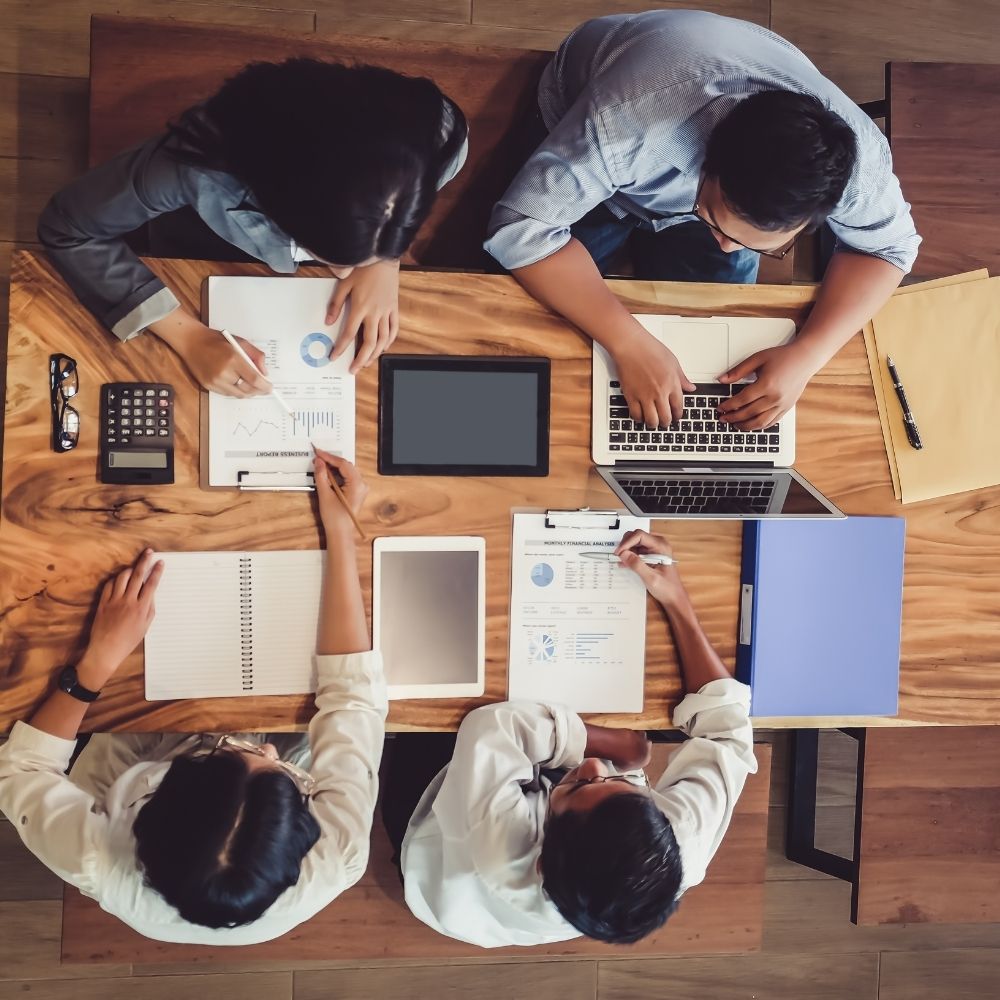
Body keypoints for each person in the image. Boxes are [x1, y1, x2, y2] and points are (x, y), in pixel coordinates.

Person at [0, 453, 385, 944]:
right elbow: (352, 697)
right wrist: (340, 531)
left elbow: (20, 771)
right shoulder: (340, 853)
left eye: (239, 753)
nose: (265, 748)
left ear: (153, 805)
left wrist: (96, 662)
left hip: (136, 749)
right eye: (271, 765)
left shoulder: (94, 857)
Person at [485, 9, 920, 434]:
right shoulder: (626, 123)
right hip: (584, 106)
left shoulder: (858, 166)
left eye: (764, 245)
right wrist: (627, 340)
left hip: (679, 116)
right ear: (705, 163)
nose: (726, 246)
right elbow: (519, 227)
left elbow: (891, 249)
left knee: (716, 342)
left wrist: (809, 353)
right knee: (515, 313)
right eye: (715, 221)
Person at [391, 529, 756, 947]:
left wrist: (614, 747)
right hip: (545, 847)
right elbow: (727, 728)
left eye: (580, 785)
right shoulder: (677, 844)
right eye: (619, 784)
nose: (595, 768)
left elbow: (491, 727)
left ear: (541, 858)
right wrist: (675, 600)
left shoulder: (503, 852)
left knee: (431, 705)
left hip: (436, 857)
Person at [38, 59, 468, 396]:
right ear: (279, 203)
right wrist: (188, 338)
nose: (342, 272)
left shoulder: (439, 131)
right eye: (331, 257)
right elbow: (68, 228)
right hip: (198, 242)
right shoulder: (192, 169)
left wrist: (383, 259)